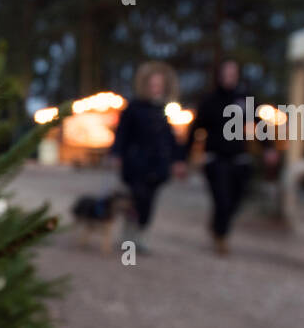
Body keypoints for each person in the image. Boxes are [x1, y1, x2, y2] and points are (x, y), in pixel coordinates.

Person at [186, 59, 275, 255]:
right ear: (219, 75)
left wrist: (268, 147)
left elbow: (260, 124)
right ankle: (221, 236)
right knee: (222, 200)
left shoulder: (244, 98)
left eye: (233, 73)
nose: (230, 77)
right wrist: (183, 157)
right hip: (215, 159)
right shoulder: (209, 100)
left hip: (239, 158)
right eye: (226, 73)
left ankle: (219, 224)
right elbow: (195, 129)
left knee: (236, 201)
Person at [109, 61, 187, 254]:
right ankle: (129, 239)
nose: (155, 89)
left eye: (159, 85)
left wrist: (178, 160)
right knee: (134, 199)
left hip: (157, 166)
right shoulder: (133, 108)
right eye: (153, 85)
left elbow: (170, 139)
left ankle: (140, 237)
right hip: (136, 164)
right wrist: (116, 154)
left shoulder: (163, 110)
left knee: (148, 202)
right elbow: (122, 133)